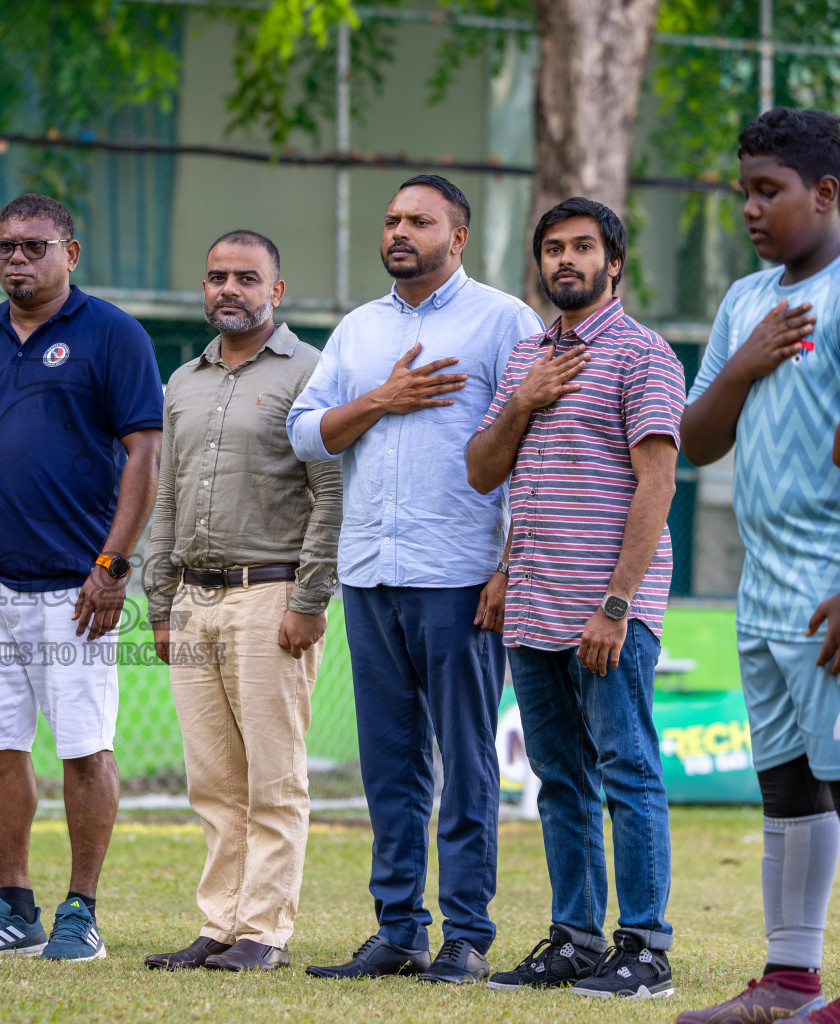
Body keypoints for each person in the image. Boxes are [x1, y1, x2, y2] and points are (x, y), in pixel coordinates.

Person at [287, 174, 544, 984]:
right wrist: (382, 399)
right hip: (369, 572)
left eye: (419, 221)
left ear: (457, 236)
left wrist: (510, 564)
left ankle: (466, 936)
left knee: (466, 762)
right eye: (393, 219)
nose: (399, 231)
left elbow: (530, 455)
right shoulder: (360, 329)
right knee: (389, 763)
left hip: (462, 575)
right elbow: (304, 432)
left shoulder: (505, 321)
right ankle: (398, 929)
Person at [0, 193, 163, 961]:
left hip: (77, 591)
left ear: (69, 254)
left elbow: (145, 455)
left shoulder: (112, 334)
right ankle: (13, 909)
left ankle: (80, 913)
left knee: (84, 748)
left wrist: (112, 567)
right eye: (4, 248)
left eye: (33, 246)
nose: (16, 259)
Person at [467, 197, 682, 998]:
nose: (566, 261)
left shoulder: (643, 355)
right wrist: (523, 399)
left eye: (582, 248)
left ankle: (647, 947)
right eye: (553, 248)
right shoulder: (527, 358)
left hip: (607, 615)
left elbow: (656, 483)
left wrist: (618, 605)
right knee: (561, 780)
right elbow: (484, 471)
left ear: (613, 262)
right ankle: (577, 940)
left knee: (627, 771)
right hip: (532, 607)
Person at [676, 108, 840, 1024]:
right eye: (743, 190)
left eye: (767, 191)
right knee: (785, 783)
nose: (749, 207)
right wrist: (740, 365)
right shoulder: (745, 298)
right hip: (763, 583)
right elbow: (699, 441)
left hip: (831, 588)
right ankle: (788, 980)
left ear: (826, 194)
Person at [142, 231, 341, 973]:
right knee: (214, 780)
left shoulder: (311, 373)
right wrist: (160, 600)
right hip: (194, 597)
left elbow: (331, 495)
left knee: (273, 776)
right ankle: (218, 925)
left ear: (276, 292)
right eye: (217, 275)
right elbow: (167, 494)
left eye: (246, 278)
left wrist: (311, 598)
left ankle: (265, 932)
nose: (229, 288)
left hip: (273, 595)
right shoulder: (183, 380)